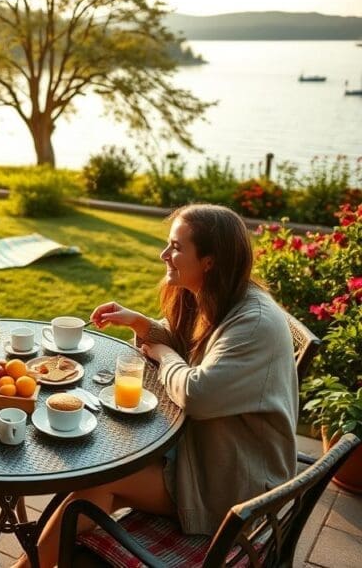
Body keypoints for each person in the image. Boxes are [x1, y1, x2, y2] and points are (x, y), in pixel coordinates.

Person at [16, 204, 298, 567]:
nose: (164, 254)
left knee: (102, 480)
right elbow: (184, 344)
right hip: (203, 455)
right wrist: (141, 325)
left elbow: (197, 394)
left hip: (234, 486)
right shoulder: (214, 294)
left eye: (176, 247)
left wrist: (163, 354)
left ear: (209, 261)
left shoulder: (253, 324)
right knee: (99, 485)